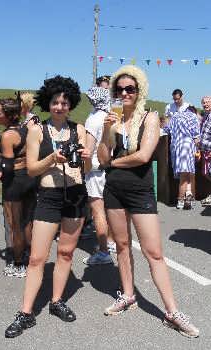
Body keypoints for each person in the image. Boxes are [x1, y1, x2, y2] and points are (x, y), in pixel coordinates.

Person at [97, 65, 199, 338]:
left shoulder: (150, 117)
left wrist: (115, 162)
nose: (124, 93)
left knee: (154, 252)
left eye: (130, 88)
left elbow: (143, 156)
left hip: (140, 191)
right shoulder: (113, 119)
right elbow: (102, 158)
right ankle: (128, 294)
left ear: (139, 90)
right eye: (119, 89)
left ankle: (172, 311)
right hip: (114, 190)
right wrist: (107, 133)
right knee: (121, 245)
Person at [5, 75, 91, 338]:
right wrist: (52, 158)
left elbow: (86, 169)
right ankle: (26, 313)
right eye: (55, 101)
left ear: (71, 104)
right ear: (48, 102)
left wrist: (87, 158)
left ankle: (56, 301)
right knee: (37, 258)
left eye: (65, 102)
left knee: (65, 253)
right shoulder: (37, 130)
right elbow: (31, 169)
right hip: (49, 197)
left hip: (76, 196)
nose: (60, 106)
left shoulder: (80, 130)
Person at [0, 98, 37, 278]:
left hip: (14, 182)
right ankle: (28, 254)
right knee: (27, 221)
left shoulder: (7, 136)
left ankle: (19, 263)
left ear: (10, 115)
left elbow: (7, 167)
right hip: (29, 178)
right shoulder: (25, 128)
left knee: (14, 224)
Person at [82, 86, 114, 266]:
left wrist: (84, 167)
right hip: (110, 168)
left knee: (98, 211)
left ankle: (103, 252)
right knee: (111, 209)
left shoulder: (93, 119)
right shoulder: (111, 116)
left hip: (95, 169)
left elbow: (89, 149)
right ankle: (110, 241)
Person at [163, 106, 200, 209]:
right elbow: (196, 136)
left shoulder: (175, 116)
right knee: (188, 175)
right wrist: (198, 150)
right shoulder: (193, 116)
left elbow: (166, 129)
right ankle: (182, 200)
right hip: (188, 147)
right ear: (194, 111)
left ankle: (186, 197)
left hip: (176, 147)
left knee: (184, 174)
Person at [200, 96, 211, 206]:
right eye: (204, 102)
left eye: (208, 102)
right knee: (206, 173)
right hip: (205, 150)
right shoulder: (206, 115)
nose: (206, 104)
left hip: (210, 150)